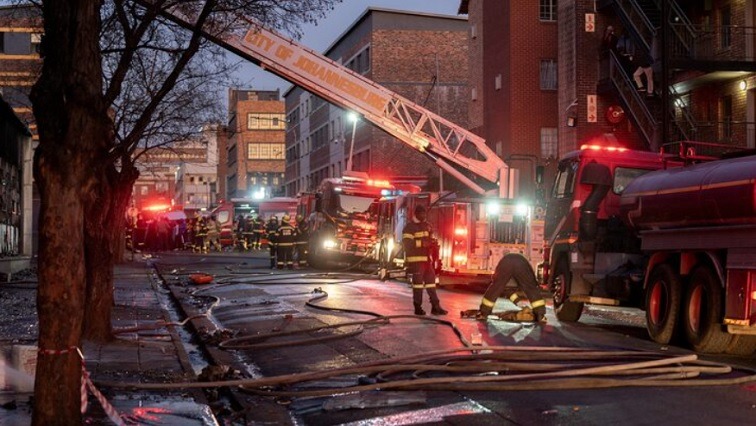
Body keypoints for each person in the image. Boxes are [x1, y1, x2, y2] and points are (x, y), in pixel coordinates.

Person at [401, 204, 447, 316]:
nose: (423, 215)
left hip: (427, 261)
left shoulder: (426, 226)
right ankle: (418, 307)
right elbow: (407, 244)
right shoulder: (409, 227)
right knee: (418, 285)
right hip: (416, 261)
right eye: (421, 213)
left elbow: (429, 240)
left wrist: (432, 244)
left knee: (431, 283)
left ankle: (435, 307)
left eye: (424, 213)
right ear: (416, 214)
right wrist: (422, 243)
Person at [477, 253, 547, 323]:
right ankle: (540, 316)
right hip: (520, 262)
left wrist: (521, 305)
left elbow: (508, 292)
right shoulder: (518, 282)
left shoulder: (507, 285)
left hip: (506, 262)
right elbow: (532, 286)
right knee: (531, 289)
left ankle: (483, 313)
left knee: (496, 287)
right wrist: (521, 304)